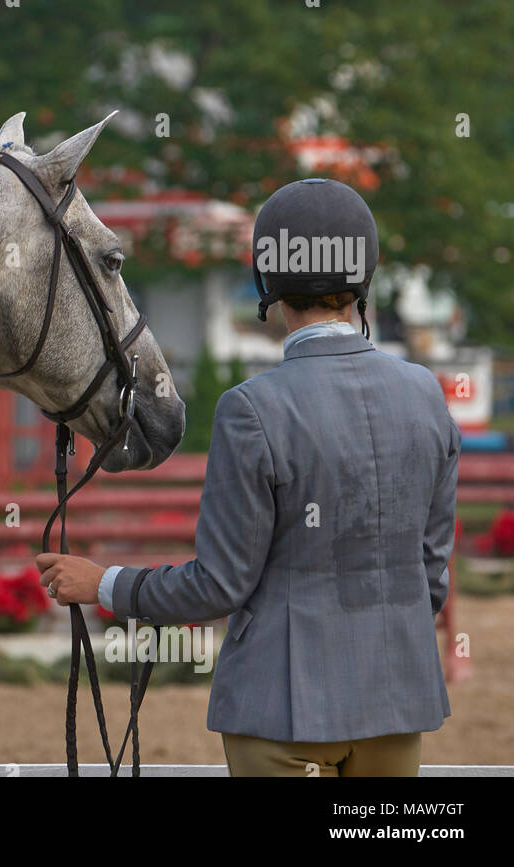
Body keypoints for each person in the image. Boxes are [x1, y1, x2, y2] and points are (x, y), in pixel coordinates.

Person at [36, 178, 459, 777]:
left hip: (280, 711)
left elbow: (220, 585)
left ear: (270, 284)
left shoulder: (251, 408)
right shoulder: (426, 395)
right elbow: (430, 577)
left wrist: (106, 584)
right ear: (363, 279)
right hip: (395, 707)